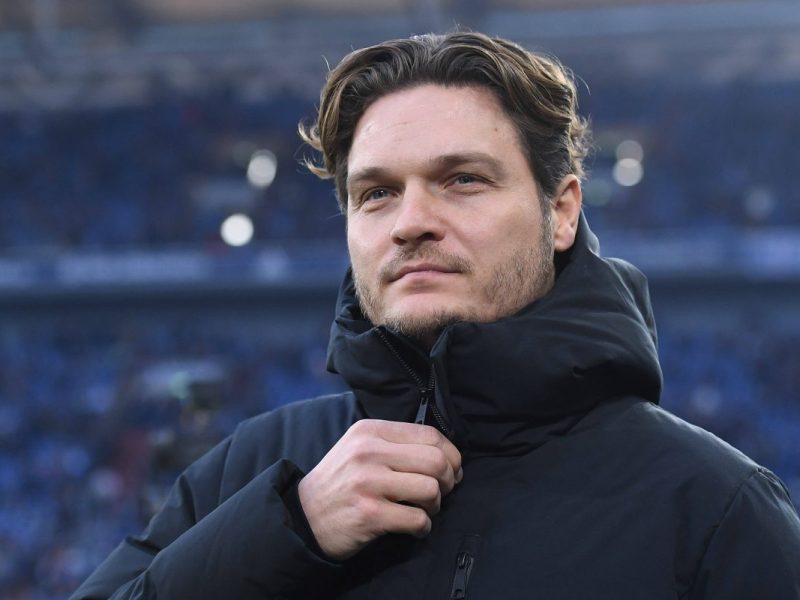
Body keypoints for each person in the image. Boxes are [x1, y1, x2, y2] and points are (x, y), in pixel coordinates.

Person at [71, 31, 800, 599]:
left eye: (462, 180)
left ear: (561, 212)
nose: (410, 222)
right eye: (376, 193)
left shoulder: (712, 508)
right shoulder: (259, 470)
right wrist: (288, 531)